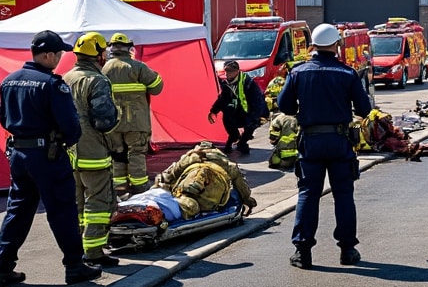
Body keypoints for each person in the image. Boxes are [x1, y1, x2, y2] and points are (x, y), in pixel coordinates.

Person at [0, 31, 103, 287]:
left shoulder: (9, 81)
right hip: (48, 156)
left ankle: (3, 268)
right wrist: (64, 141)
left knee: (17, 211)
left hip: (19, 154)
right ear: (48, 55)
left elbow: (2, 119)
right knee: (62, 210)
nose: (60, 58)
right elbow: (71, 126)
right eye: (59, 54)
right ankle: (75, 266)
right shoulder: (52, 84)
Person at [276, 23, 373, 269]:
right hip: (340, 142)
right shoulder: (347, 73)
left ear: (314, 46)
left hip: (310, 142)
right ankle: (348, 250)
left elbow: (284, 106)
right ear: (336, 44)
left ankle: (302, 252)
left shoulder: (298, 72)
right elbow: (364, 109)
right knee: (343, 195)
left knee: (308, 195)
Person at [63, 31, 122, 268]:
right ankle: (94, 252)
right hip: (93, 152)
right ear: (98, 55)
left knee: (76, 203)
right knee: (98, 201)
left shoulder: (65, 78)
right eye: (103, 51)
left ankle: (77, 250)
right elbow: (104, 120)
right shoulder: (97, 81)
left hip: (71, 153)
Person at [101, 32, 164, 196]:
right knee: (136, 152)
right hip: (136, 121)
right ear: (129, 48)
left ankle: (120, 188)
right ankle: (139, 188)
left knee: (117, 153)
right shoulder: (138, 67)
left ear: (111, 48)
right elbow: (157, 87)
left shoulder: (103, 69)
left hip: (113, 121)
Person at [154, 141, 258, 219]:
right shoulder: (227, 164)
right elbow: (242, 187)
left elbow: (168, 176)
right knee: (193, 205)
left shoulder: (189, 158)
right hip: (211, 197)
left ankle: (159, 211)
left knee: (185, 202)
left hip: (186, 187)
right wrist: (247, 199)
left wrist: (157, 188)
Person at [208, 60, 268, 154]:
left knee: (253, 124)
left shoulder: (248, 83)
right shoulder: (225, 84)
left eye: (231, 71)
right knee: (232, 132)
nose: (228, 73)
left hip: (246, 114)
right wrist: (213, 111)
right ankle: (231, 141)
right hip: (232, 115)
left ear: (237, 71)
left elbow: (258, 101)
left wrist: (255, 116)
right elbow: (221, 100)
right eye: (227, 71)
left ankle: (242, 142)